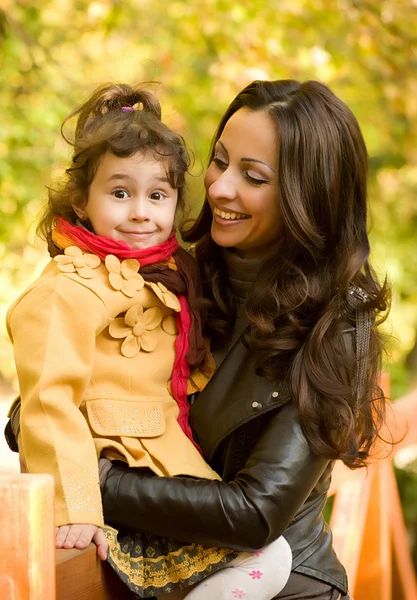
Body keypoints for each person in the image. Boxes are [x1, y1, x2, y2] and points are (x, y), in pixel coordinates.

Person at [97, 79, 391, 600]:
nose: (219, 188)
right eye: (219, 160)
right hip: (152, 570)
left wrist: (92, 481)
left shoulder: (337, 325)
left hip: (279, 582)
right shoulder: (173, 272)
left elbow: (256, 513)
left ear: (309, 198)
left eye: (252, 176)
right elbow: (42, 401)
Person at [5, 82, 292, 600]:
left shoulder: (167, 276)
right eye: (120, 193)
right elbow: (48, 402)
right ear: (80, 199)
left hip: (165, 468)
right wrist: (77, 507)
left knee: (272, 554)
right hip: (115, 471)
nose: (141, 212)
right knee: (266, 556)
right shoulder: (67, 288)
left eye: (157, 195)